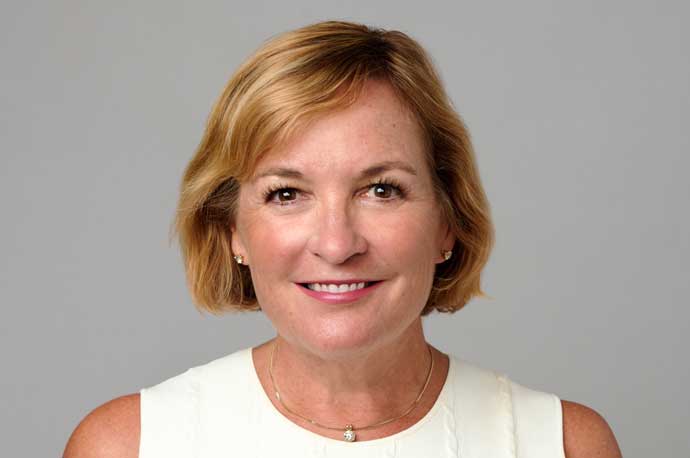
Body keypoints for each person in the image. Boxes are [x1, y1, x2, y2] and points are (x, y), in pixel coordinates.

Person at [64, 21, 622, 457]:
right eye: (287, 193)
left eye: (381, 190)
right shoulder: (128, 447)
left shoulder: (564, 445)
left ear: (447, 221)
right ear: (233, 230)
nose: (336, 244)